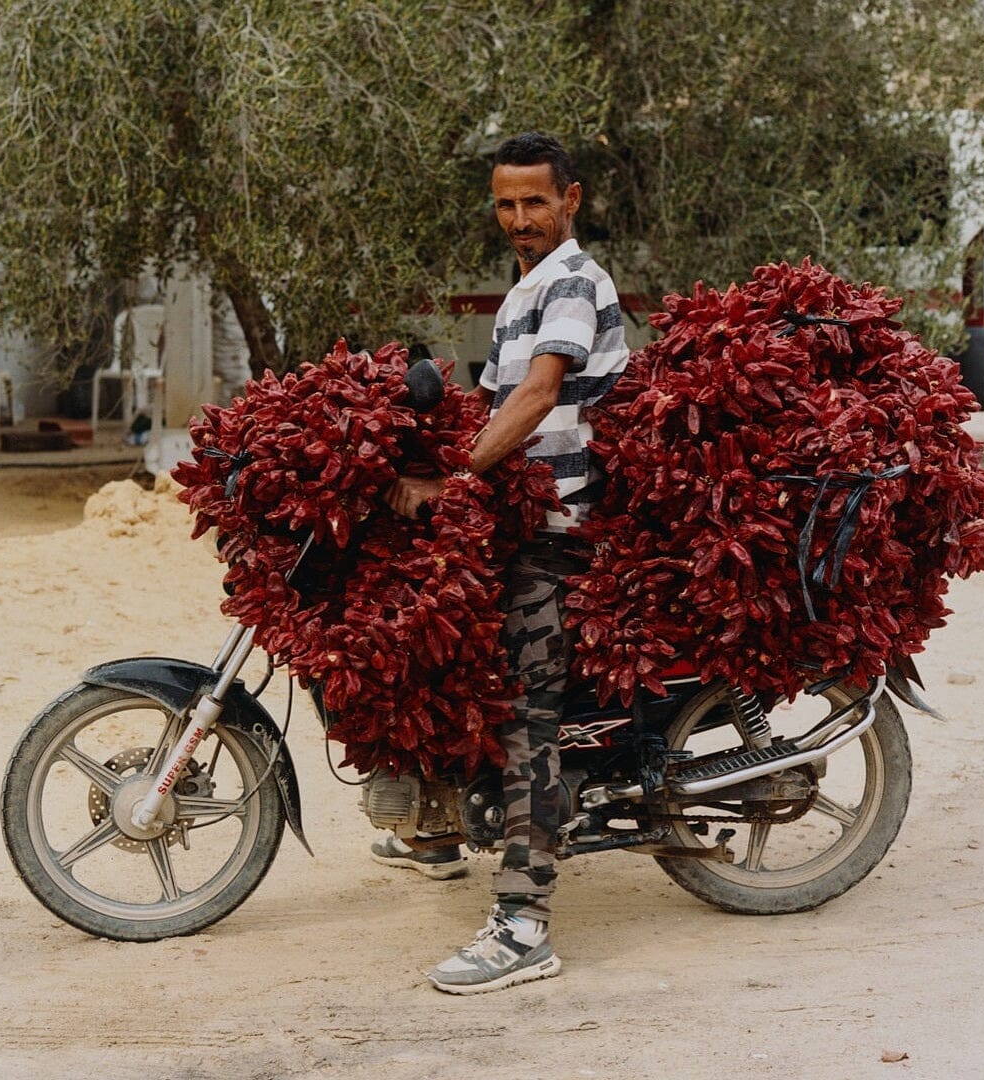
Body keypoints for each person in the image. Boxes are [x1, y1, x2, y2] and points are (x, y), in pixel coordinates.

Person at [375, 131, 629, 993]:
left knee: (527, 718)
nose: (520, 219)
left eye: (535, 202)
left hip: (559, 531)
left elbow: (539, 392)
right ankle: (440, 826)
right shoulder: (524, 290)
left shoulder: (571, 281)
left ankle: (525, 924)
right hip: (517, 521)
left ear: (571, 199)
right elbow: (489, 403)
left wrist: (452, 477)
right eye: (506, 205)